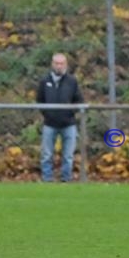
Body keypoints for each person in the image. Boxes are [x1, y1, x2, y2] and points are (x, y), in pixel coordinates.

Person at [36, 53, 84, 182]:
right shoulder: (44, 81)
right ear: (52, 64)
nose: (59, 66)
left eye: (61, 63)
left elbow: (79, 100)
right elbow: (40, 100)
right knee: (47, 154)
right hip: (49, 124)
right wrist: (47, 114)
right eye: (56, 63)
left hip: (68, 124)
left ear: (66, 65)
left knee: (68, 155)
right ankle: (47, 179)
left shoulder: (72, 81)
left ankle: (66, 179)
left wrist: (70, 113)